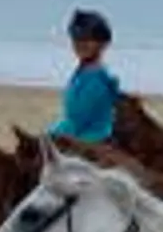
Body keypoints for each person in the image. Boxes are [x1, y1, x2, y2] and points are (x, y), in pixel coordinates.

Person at [51, 8, 120, 143]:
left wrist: (53, 133)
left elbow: (79, 120)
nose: (81, 44)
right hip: (77, 136)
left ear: (102, 44)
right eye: (77, 39)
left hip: (92, 141)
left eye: (88, 40)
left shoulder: (97, 79)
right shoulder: (82, 72)